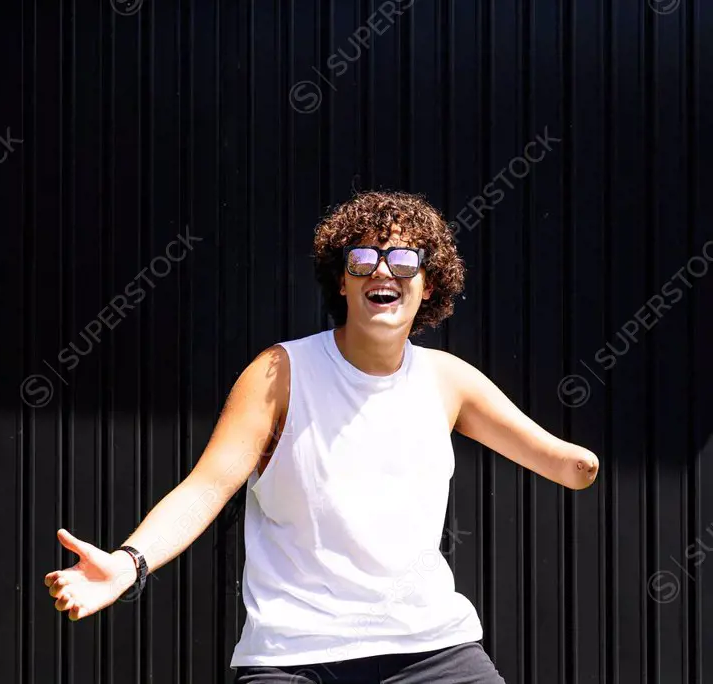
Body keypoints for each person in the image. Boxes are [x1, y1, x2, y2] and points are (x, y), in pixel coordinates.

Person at [44, 190, 599, 683]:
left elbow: (561, 463)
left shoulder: (446, 379)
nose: (384, 272)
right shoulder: (281, 372)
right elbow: (206, 487)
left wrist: (582, 465)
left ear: (428, 284)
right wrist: (129, 562)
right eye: (363, 259)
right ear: (343, 279)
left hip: (431, 651)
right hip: (297, 657)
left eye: (404, 260)